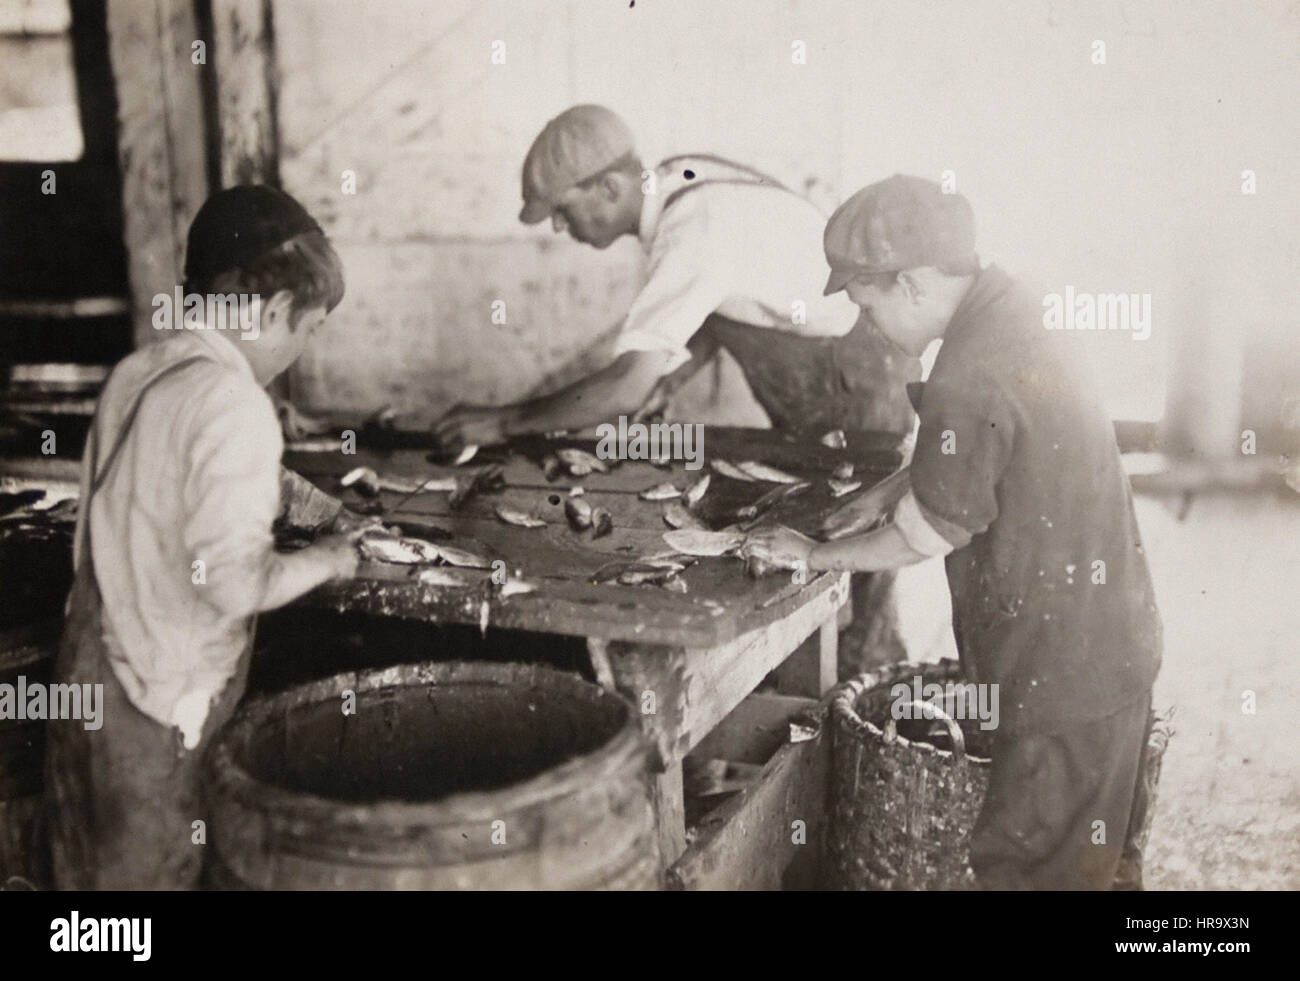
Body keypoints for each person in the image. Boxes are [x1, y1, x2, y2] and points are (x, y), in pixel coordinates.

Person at [744, 175, 1163, 889]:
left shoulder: (971, 369)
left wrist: (816, 552)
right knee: (1102, 863)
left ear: (908, 283)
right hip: (1113, 649)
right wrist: (885, 491)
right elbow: (994, 450)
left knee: (1027, 869)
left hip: (1058, 676)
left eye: (867, 305)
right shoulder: (1012, 306)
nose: (867, 327)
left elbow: (929, 532)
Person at [433, 103, 920, 667]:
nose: (559, 229)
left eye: (563, 212)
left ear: (610, 187)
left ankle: (875, 685)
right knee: (818, 538)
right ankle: (820, 674)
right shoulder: (679, 177)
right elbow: (725, 298)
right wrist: (676, 372)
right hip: (821, 366)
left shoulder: (692, 228)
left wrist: (499, 421)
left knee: (857, 549)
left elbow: (624, 389)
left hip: (852, 374)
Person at [41, 185, 364, 890]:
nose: (306, 347)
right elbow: (233, 582)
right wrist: (329, 558)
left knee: (84, 907)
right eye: (310, 329)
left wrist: (313, 503)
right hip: (157, 712)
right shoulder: (238, 403)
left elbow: (174, 470)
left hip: (87, 686)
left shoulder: (140, 373)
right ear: (275, 311)